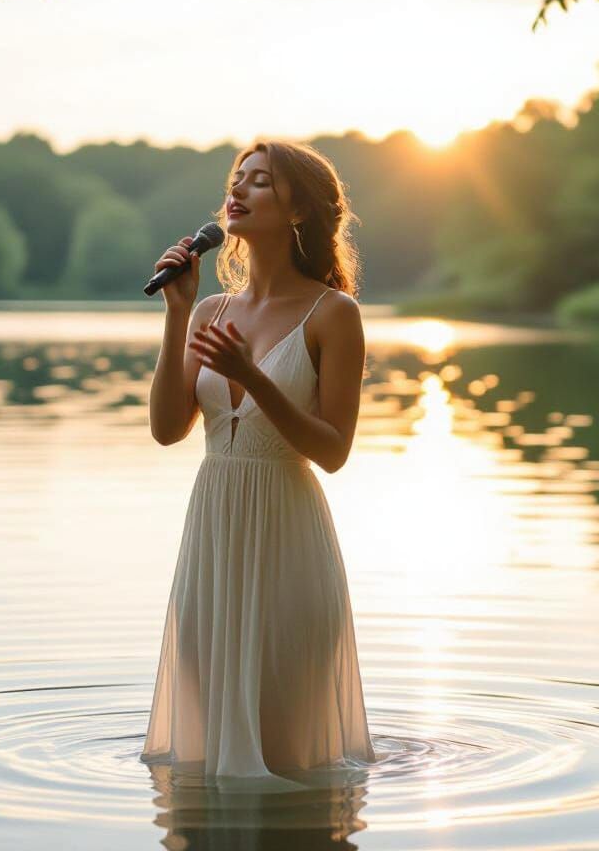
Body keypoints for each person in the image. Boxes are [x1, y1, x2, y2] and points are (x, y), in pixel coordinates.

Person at [140, 139, 377, 788]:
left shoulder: (334, 315)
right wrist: (179, 312)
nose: (237, 191)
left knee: (290, 755)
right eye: (236, 179)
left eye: (261, 182)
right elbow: (166, 429)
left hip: (289, 541)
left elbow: (333, 451)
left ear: (299, 208)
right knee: (206, 758)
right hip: (212, 543)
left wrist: (254, 377)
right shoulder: (212, 312)